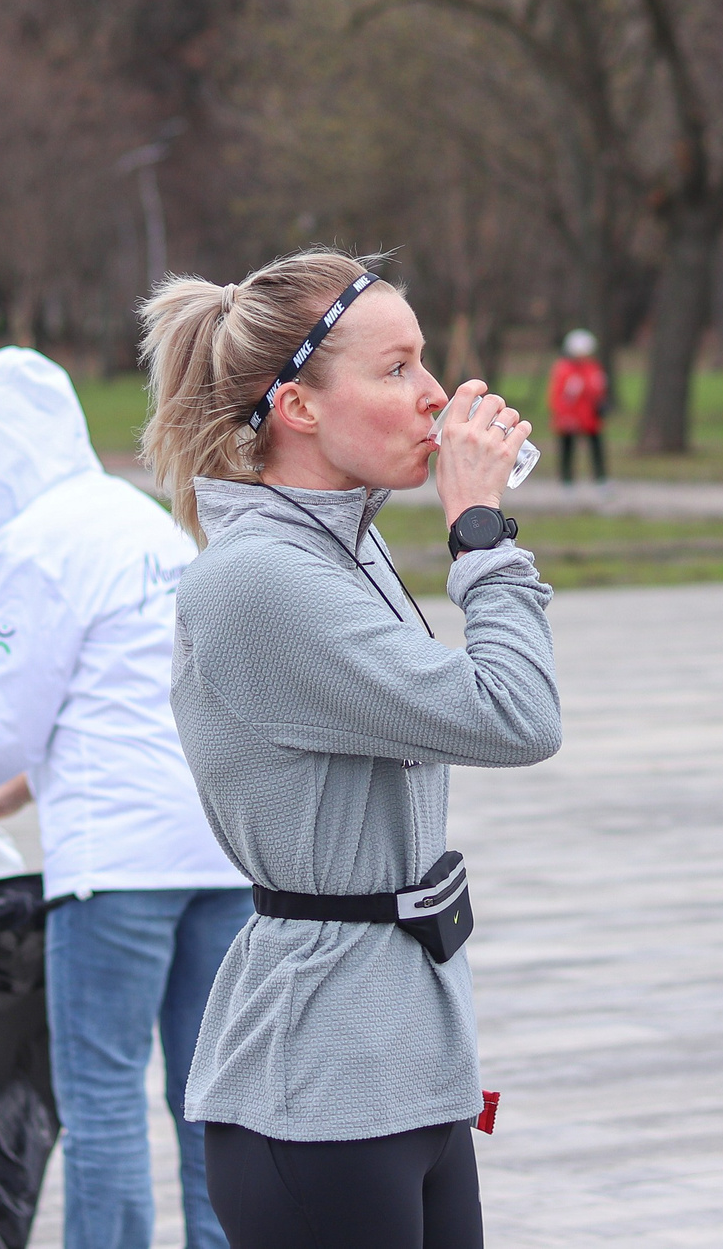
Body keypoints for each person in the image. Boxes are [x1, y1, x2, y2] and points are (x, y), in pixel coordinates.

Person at [138, 248, 560, 1249]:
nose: (435, 395)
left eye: (424, 361)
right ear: (297, 407)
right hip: (320, 1083)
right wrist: (481, 534)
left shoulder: (341, 544)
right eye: (397, 368)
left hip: (411, 1060)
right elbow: (517, 715)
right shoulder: (259, 580)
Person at [0, 347, 246, 1249]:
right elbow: (137, 690)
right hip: (221, 847)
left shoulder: (31, 543)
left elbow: (3, 724)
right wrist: (20, 789)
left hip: (118, 869)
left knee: (103, 1100)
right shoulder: (145, 518)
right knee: (214, 1104)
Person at [548, 328, 609, 486]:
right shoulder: (564, 370)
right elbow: (558, 396)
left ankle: (601, 478)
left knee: (596, 448)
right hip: (570, 417)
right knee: (567, 448)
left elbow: (598, 391)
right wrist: (563, 415)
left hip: (590, 417)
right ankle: (566, 479)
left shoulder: (592, 368)